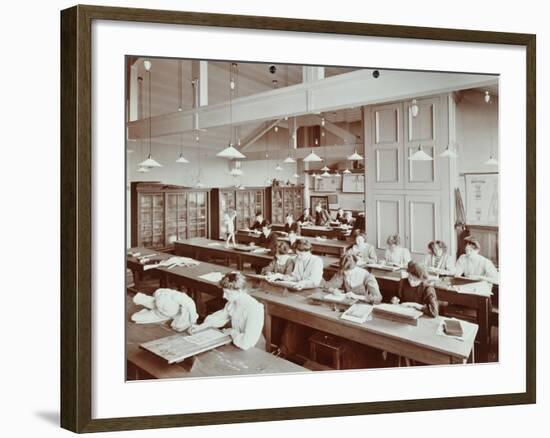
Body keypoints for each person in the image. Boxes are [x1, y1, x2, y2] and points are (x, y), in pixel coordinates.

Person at [189, 272, 264, 350]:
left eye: (227, 293)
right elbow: (219, 318)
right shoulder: (233, 302)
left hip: (254, 348)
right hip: (238, 342)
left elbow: (247, 342)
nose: (224, 296)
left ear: (239, 291)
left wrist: (232, 332)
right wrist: (201, 327)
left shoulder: (255, 309)